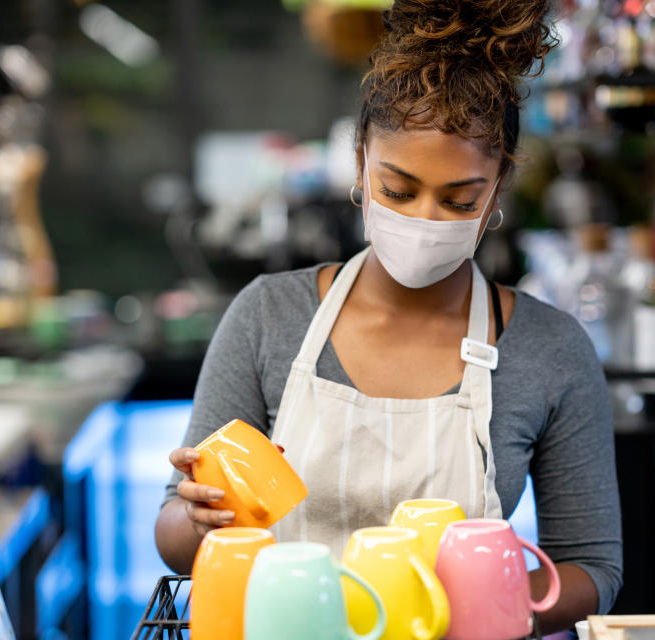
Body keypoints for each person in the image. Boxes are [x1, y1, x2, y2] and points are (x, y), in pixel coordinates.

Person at [155, 0, 623, 632]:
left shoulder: (549, 349)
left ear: (496, 193)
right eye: (398, 191)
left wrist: (480, 598)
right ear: (360, 164)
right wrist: (200, 517)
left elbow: (592, 567)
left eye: (459, 199)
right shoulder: (269, 316)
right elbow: (177, 542)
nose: (425, 220)